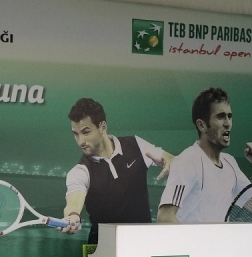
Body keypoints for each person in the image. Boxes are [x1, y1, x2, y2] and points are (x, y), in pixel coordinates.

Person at [59, 98, 174, 243]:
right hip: (101, 247)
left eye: (85, 132)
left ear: (102, 127)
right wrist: (72, 215)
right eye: (75, 134)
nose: (80, 141)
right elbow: (73, 201)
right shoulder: (80, 171)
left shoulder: (136, 145)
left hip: (143, 243)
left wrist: (171, 162)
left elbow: (172, 160)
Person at [158, 87, 252, 223]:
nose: (228, 123)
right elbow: (164, 218)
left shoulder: (230, 163)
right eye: (220, 117)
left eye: (229, 116)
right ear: (202, 125)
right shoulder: (188, 160)